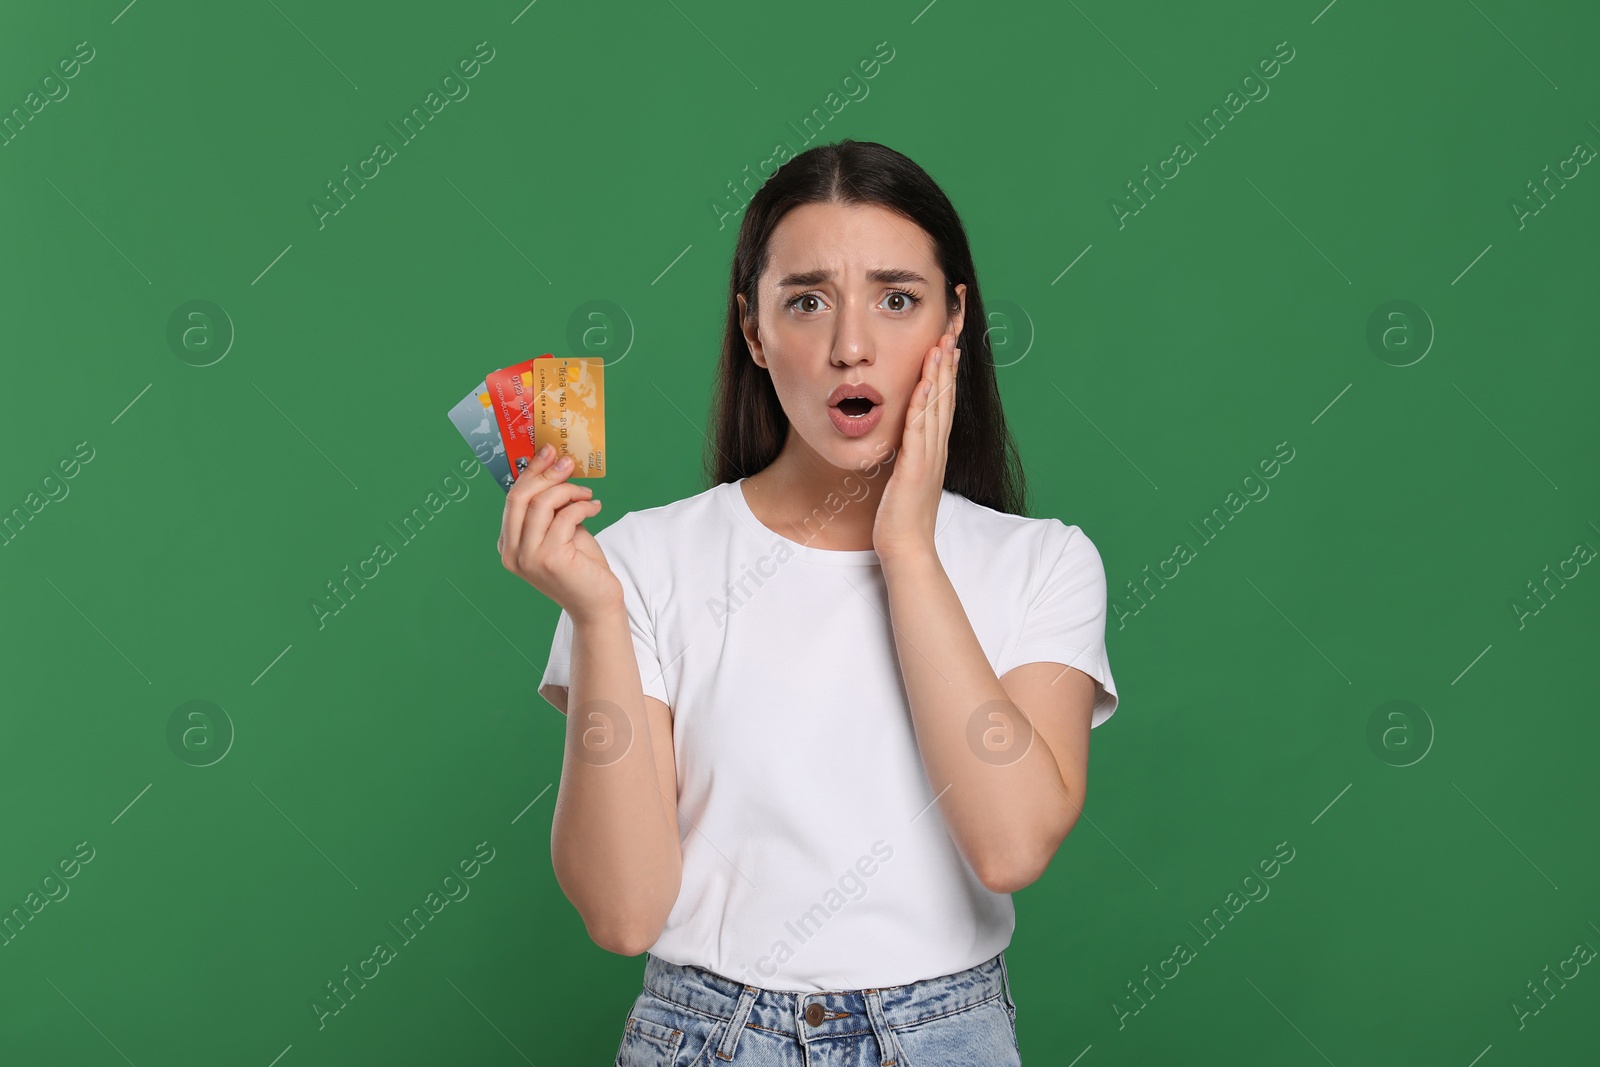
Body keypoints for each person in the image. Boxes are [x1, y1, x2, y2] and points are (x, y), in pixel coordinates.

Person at [497, 138, 1119, 1065]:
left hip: (946, 1037)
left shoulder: (1042, 564)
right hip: (703, 1036)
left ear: (955, 321)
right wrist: (594, 615)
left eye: (896, 298)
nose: (851, 345)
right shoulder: (643, 561)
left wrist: (905, 546)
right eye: (807, 300)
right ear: (753, 330)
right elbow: (623, 913)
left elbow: (1011, 845)